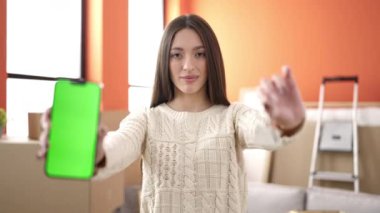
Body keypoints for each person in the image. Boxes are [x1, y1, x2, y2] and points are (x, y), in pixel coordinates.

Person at [38, 14, 305, 213]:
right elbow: (117, 147)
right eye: (177, 55)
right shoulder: (147, 118)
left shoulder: (233, 116)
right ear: (164, 61)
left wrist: (289, 122)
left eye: (199, 54)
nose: (188, 65)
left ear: (211, 59)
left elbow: (267, 134)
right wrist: (92, 151)